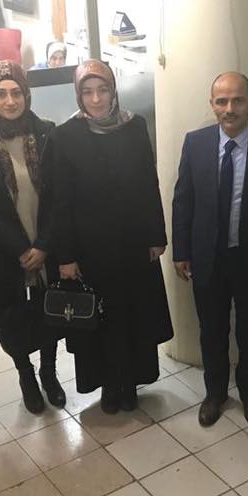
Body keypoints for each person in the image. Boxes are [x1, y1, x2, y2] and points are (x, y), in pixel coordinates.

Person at [47, 59, 173, 412]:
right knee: (99, 319)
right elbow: (60, 202)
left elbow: (148, 182)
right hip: (90, 250)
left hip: (132, 243)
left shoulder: (134, 126)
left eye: (102, 90)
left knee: (133, 315)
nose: (96, 99)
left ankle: (130, 382)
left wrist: (156, 235)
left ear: (113, 90)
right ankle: (107, 386)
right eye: (87, 91)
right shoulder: (64, 136)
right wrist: (65, 257)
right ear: (78, 94)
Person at [172, 71, 248, 428]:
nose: (230, 109)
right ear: (212, 104)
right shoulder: (195, 143)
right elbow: (183, 201)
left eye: (238, 100)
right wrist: (181, 250)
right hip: (207, 258)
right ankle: (215, 394)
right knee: (211, 331)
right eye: (222, 101)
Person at [0, 60, 66, 413]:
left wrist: (44, 244)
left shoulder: (47, 132)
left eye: (16, 92)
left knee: (49, 312)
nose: (10, 101)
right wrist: (21, 249)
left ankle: (49, 372)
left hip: (45, 242)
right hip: (4, 251)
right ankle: (26, 374)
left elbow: (59, 195)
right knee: (12, 318)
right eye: (1, 94)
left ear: (27, 94)